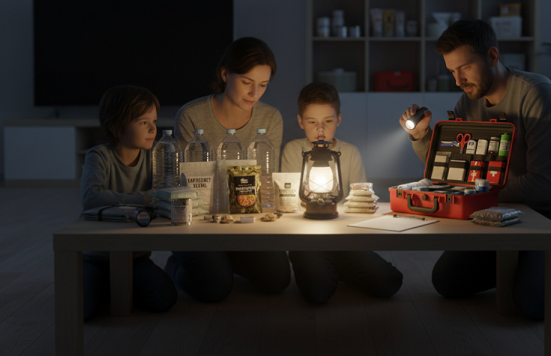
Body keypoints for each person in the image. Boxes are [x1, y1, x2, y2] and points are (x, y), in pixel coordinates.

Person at [399, 19, 551, 320]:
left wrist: (474, 196)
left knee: (531, 303)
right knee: (447, 281)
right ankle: (537, 260)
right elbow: (454, 171)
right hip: (507, 210)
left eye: (465, 68)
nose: (458, 80)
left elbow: (542, 184)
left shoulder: (538, 95)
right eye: (452, 71)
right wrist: (421, 136)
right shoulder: (469, 101)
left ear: (492, 56)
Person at [166, 37, 291, 302]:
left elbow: (266, 182)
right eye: (247, 82)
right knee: (215, 288)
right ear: (225, 74)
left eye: (263, 85)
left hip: (244, 221)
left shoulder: (270, 118)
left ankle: (223, 260)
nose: (254, 93)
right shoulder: (191, 115)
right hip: (199, 222)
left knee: (277, 279)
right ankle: (176, 265)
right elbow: (181, 185)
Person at [283, 82, 403, 303]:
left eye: (328, 121)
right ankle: (328, 270)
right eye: (312, 122)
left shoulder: (349, 153)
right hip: (306, 242)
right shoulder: (293, 150)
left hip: (343, 239)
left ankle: (336, 267)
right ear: (300, 121)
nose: (320, 130)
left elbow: (360, 201)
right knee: (317, 293)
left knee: (390, 282)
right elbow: (290, 203)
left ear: (338, 119)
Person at [80, 85, 177, 320]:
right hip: (97, 258)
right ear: (116, 126)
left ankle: (118, 288)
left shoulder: (155, 156)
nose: (153, 129)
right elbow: (91, 197)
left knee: (164, 298)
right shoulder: (99, 156)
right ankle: (107, 287)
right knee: (84, 310)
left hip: (135, 258)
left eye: (154, 121)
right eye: (143, 122)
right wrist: (144, 197)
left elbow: (165, 193)